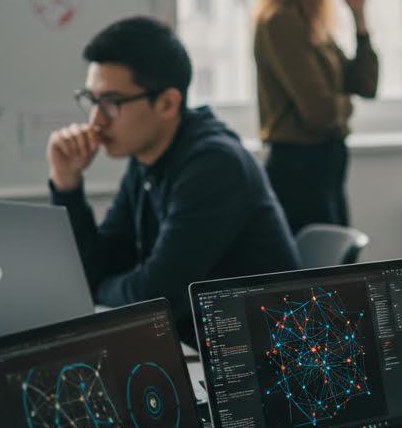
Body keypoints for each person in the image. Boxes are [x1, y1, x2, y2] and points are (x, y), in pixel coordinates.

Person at [46, 17, 300, 340]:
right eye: (92, 100)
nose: (96, 120)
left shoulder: (215, 166)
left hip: (256, 363)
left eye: (111, 103)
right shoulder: (146, 158)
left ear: (167, 103)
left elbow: (152, 299)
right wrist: (67, 184)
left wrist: (97, 287)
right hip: (195, 349)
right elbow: (101, 262)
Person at [254, 0, 378, 232]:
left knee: (339, 273)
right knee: (321, 278)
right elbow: (321, 113)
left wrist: (359, 19)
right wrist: (344, 101)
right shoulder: (281, 21)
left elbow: (364, 85)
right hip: (299, 174)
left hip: (324, 170)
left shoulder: (312, 21)